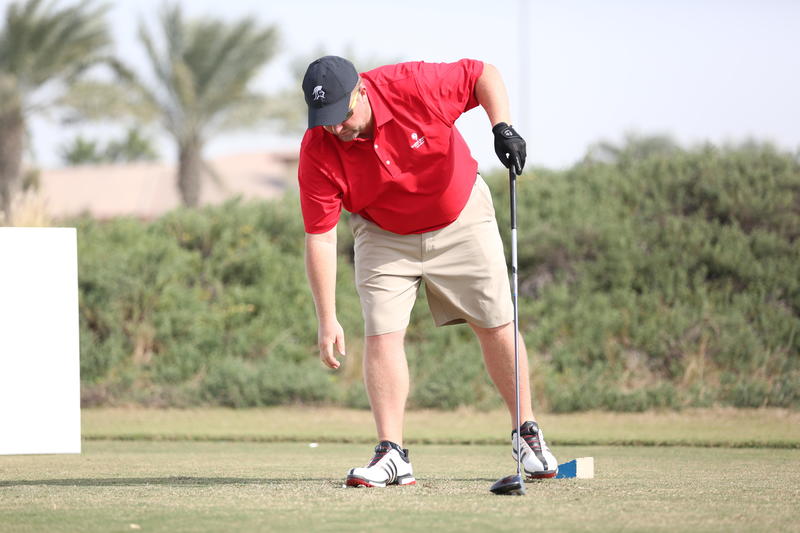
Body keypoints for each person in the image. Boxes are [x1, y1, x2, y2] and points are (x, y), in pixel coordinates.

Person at [298, 56, 557, 487]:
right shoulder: (317, 149)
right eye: (325, 120)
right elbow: (321, 238)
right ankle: (392, 453)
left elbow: (482, 74)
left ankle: (526, 433)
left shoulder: (413, 85)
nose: (336, 128)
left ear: (361, 90)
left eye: (343, 115)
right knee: (381, 333)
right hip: (384, 234)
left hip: (460, 217)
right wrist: (327, 318)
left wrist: (502, 127)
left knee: (496, 322)